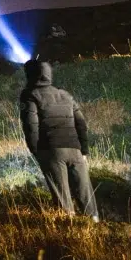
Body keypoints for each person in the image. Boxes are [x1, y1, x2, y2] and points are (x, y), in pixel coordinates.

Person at [19, 58, 99, 220]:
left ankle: (68, 232)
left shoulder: (30, 95)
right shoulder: (65, 95)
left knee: (62, 199)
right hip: (75, 150)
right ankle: (96, 226)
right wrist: (83, 150)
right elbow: (81, 124)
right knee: (86, 194)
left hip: (51, 151)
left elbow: (31, 127)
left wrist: (36, 151)